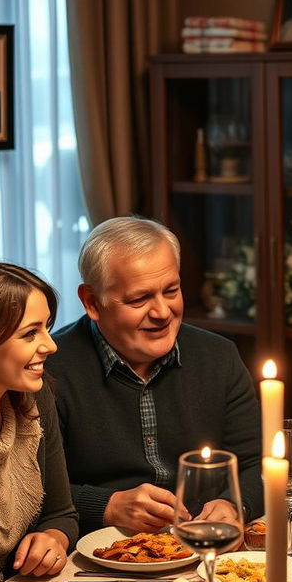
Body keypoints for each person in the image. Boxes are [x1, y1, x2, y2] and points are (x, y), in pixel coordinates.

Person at [49, 216, 263, 535]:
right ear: (92, 302)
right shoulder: (49, 369)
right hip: (100, 554)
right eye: (139, 299)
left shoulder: (219, 356)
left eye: (171, 291)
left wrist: (234, 504)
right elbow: (30, 492)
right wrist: (107, 505)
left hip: (205, 545)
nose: (162, 312)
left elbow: (260, 464)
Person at [0, 257, 78, 582]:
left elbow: (60, 513)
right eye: (30, 334)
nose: (50, 345)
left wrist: (53, 539)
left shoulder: (33, 399)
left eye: (47, 327)